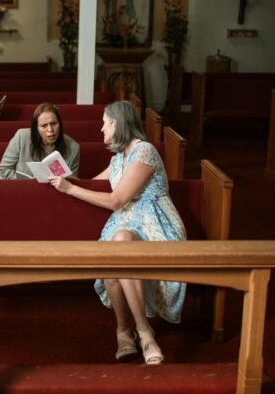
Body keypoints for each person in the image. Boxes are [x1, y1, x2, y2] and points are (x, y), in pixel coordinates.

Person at [48, 100, 186, 365]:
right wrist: (56, 174)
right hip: (125, 225)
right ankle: (126, 331)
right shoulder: (119, 158)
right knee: (116, 246)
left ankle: (141, 331)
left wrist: (69, 189)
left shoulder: (144, 151)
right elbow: (89, 183)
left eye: (105, 122)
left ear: (117, 123)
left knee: (119, 243)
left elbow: (116, 200)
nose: (101, 128)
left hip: (155, 226)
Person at [0, 103, 80, 179]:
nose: (50, 130)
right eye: (44, 126)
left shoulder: (73, 147)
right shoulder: (21, 136)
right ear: (36, 128)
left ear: (60, 124)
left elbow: (72, 183)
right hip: (16, 187)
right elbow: (4, 168)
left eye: (53, 123)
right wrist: (27, 184)